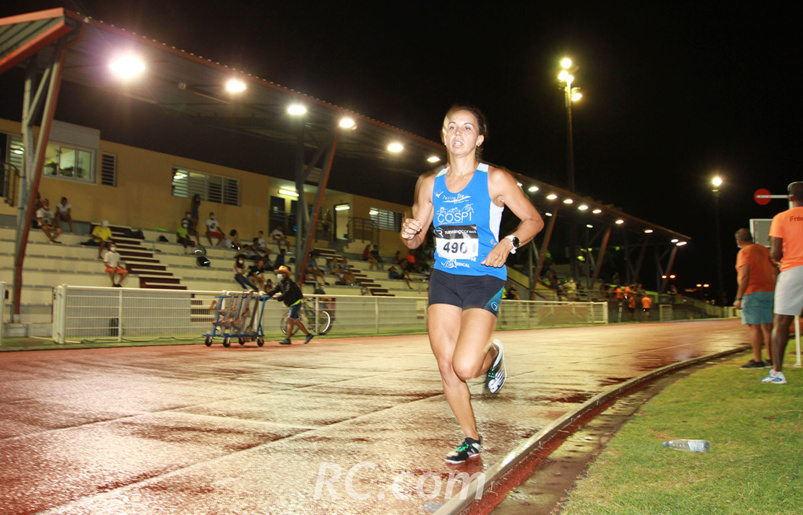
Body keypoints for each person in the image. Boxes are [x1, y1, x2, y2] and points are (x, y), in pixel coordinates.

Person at [400, 104, 543, 464]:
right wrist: (409, 234)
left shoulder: (495, 179)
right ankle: (470, 437)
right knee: (446, 366)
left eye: (466, 128)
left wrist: (509, 242)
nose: (458, 133)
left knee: (466, 366)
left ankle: (492, 355)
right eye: (452, 127)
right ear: (443, 134)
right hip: (445, 278)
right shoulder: (428, 184)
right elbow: (415, 240)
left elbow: (533, 220)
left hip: (483, 277)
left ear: (478, 138)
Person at [764, 182, 803, 385]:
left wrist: (779, 261)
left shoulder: (781, 218)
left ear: (790, 198)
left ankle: (777, 372)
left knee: (781, 322)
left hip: (792, 271)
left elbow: (775, 253)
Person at [733, 228, 777, 369]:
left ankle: (757, 360)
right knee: (767, 327)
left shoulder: (744, 252)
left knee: (754, 327)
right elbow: (775, 271)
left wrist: (739, 297)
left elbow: (745, 275)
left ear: (739, 242)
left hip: (752, 291)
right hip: (769, 290)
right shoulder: (764, 250)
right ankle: (771, 358)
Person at [266, 265, 314, 345]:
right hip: (292, 303)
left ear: (286, 274)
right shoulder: (281, 283)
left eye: (282, 273)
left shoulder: (289, 283)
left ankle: (288, 339)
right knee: (296, 321)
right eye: (279, 273)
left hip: (295, 302)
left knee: (290, 319)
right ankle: (308, 335)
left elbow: (287, 292)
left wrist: (279, 298)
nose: (280, 275)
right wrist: (266, 295)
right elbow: (274, 290)